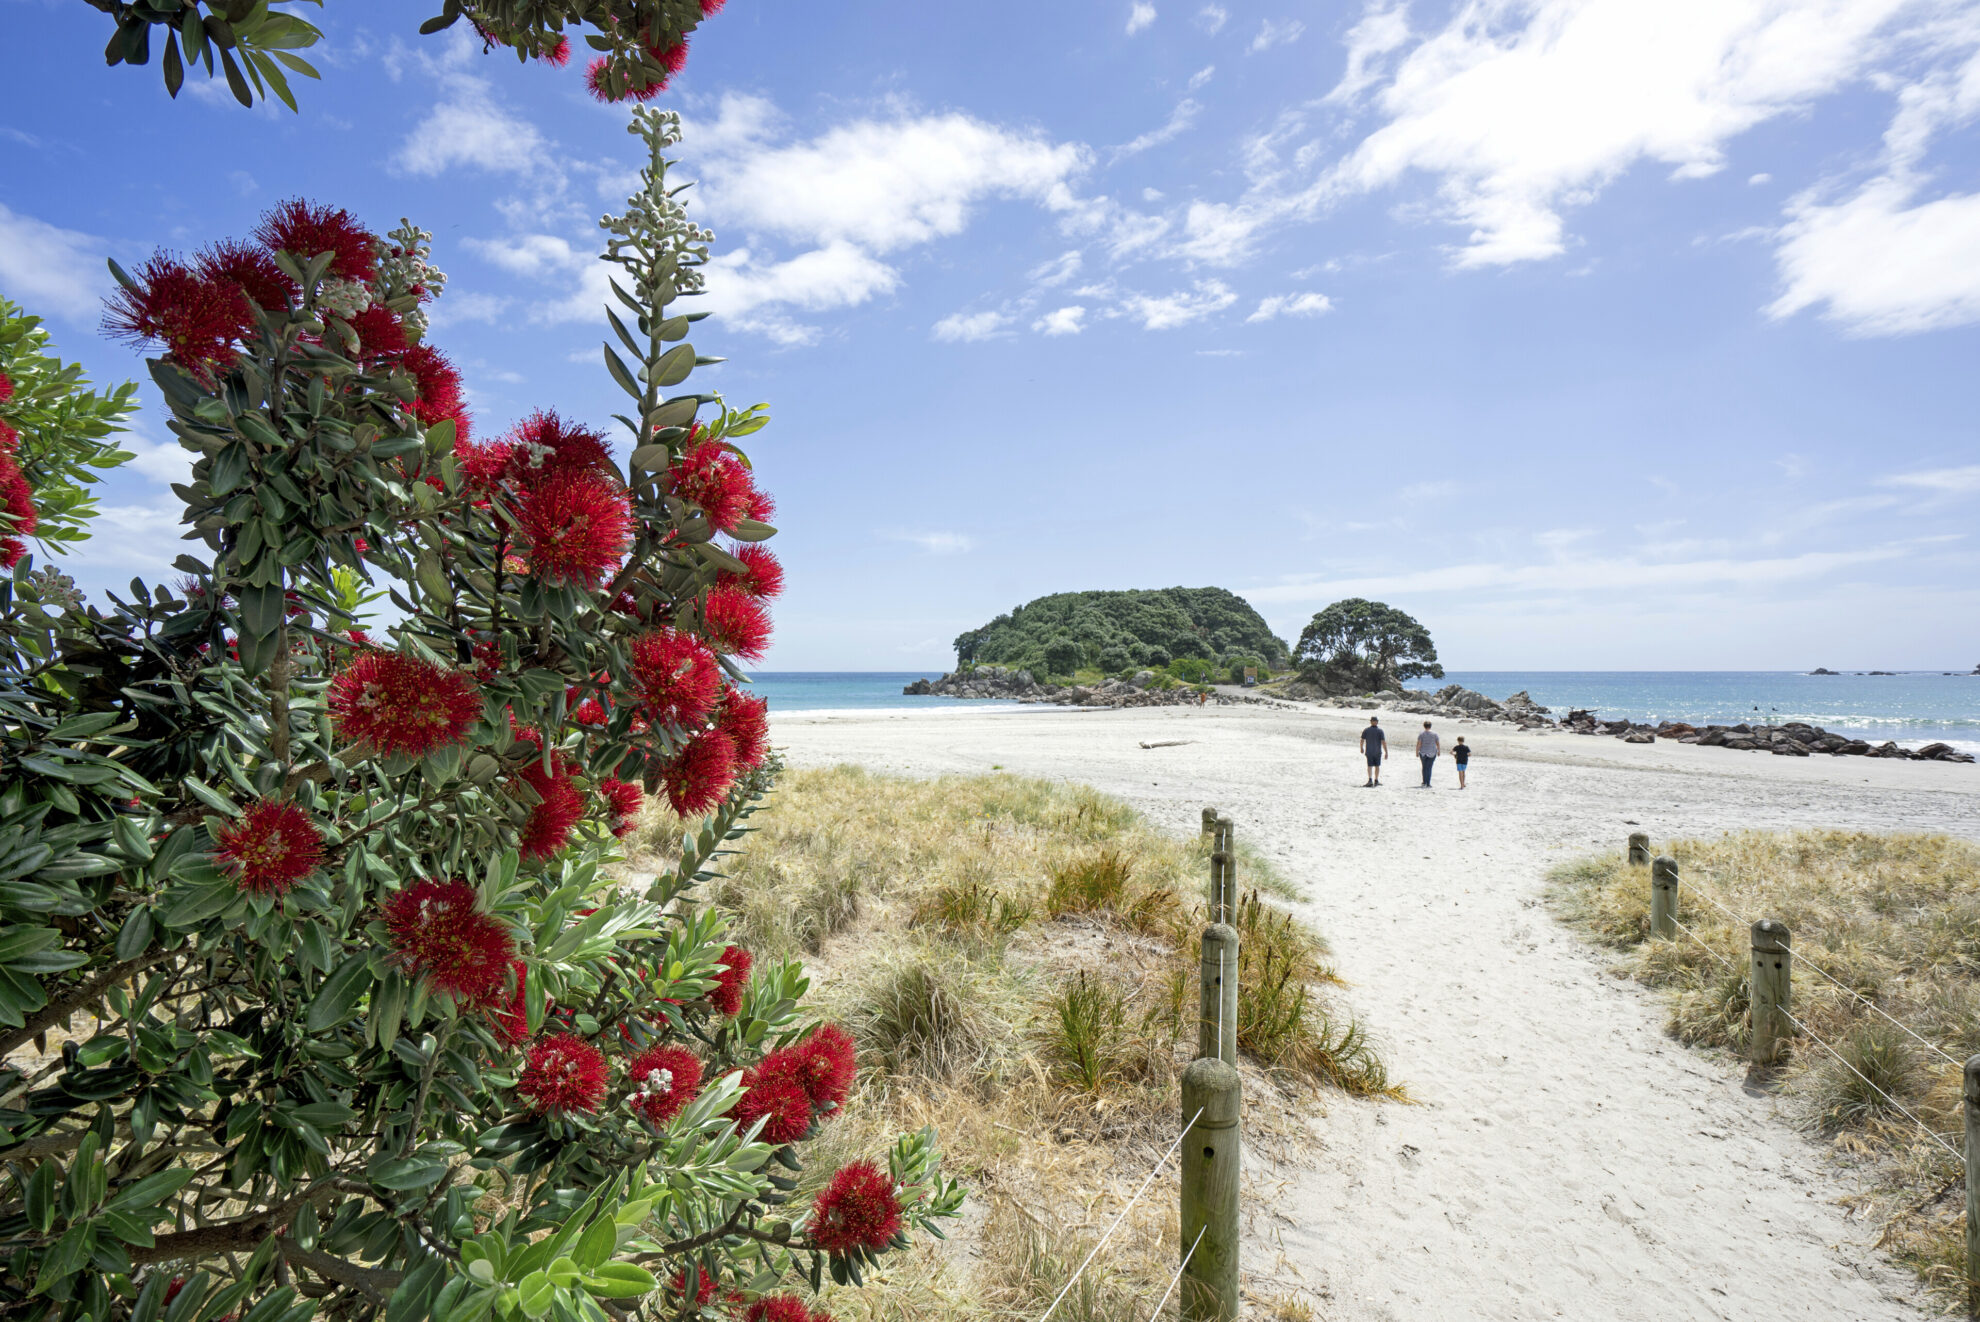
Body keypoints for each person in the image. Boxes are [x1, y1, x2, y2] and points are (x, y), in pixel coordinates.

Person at [1360, 716, 1386, 786]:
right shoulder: (1380, 731)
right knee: (1376, 766)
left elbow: (1362, 740)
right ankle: (1375, 780)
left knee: (1370, 766)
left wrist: (1361, 748)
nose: (1375, 722)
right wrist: (1386, 751)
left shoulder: (1367, 730)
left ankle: (1371, 780)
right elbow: (1383, 742)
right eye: (1374, 721)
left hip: (1370, 751)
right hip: (1377, 751)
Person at [1416, 720, 1440, 787]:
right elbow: (1437, 743)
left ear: (1424, 726)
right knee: (1429, 767)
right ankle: (1428, 782)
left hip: (1423, 752)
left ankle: (1424, 782)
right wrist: (1439, 751)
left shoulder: (1421, 734)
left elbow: (1419, 744)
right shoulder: (1435, 734)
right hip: (1432, 752)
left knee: (1424, 767)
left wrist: (1417, 752)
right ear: (1430, 726)